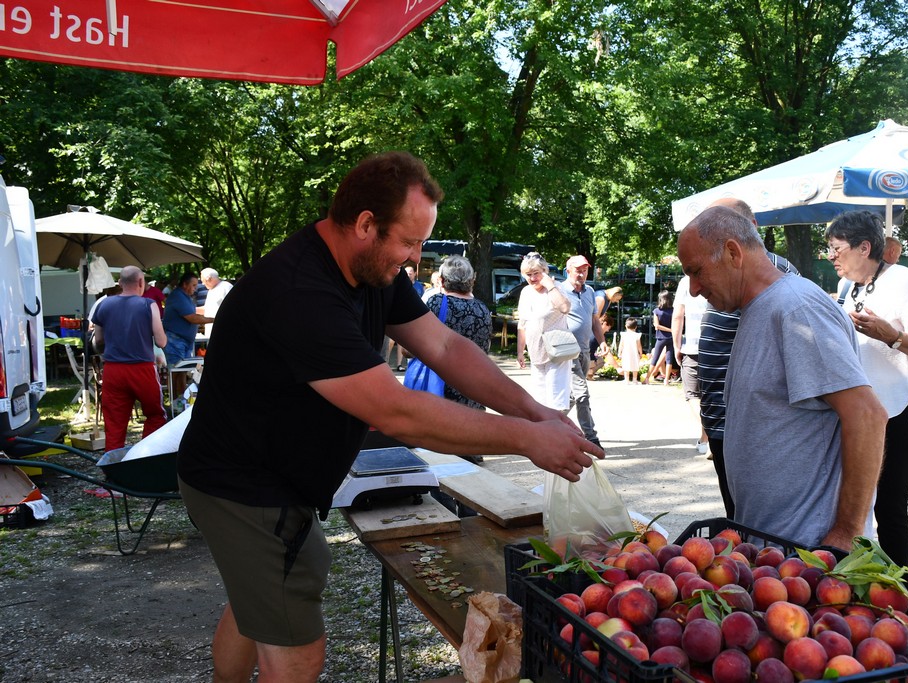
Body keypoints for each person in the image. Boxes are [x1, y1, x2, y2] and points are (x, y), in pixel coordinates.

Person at [177, 152, 601, 683]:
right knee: (295, 640)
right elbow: (395, 410)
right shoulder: (300, 291)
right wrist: (526, 439)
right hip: (243, 485)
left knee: (254, 601)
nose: (415, 259)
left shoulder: (374, 267)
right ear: (364, 225)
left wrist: (536, 411)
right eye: (409, 241)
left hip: (270, 474)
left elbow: (445, 347)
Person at [678, 205, 887, 549]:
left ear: (733, 252)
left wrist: (846, 533)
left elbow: (867, 415)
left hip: (808, 553)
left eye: (697, 271)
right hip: (774, 549)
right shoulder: (759, 308)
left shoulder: (797, 309)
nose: (695, 288)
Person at [826, 210, 908, 567]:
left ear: (864, 248)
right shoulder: (849, 288)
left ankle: (898, 596)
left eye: (836, 248)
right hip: (861, 413)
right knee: (853, 505)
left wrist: (891, 336)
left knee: (890, 507)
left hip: (898, 413)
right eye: (828, 248)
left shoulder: (904, 280)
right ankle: (863, 588)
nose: (831, 256)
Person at [687, 198, 798, 518]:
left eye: (724, 226)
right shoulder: (726, 274)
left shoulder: (774, 273)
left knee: (753, 524)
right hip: (724, 419)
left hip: (745, 424)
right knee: (739, 519)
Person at [90, 266, 168, 451]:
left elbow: (99, 340)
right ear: (141, 282)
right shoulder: (148, 305)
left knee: (115, 421)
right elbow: (161, 341)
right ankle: (146, 456)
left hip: (113, 370)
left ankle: (112, 467)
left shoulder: (104, 305)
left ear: (120, 283)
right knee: (155, 414)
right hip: (142, 368)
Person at [427, 255, 492, 410]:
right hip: (473, 389)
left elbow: (416, 346)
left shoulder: (436, 302)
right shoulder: (482, 309)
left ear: (442, 281)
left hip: (440, 387)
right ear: (472, 280)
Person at [558, 255, 608, 448]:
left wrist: (602, 341)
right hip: (567, 350)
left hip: (585, 350)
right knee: (582, 393)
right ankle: (591, 436)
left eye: (585, 270)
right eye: (578, 270)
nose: (582, 273)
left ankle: (548, 423)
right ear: (568, 270)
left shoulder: (590, 291)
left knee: (573, 396)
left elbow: (595, 320)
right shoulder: (559, 290)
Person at [517, 252, 574, 411]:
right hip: (536, 352)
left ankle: (558, 433)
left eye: (536, 273)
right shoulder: (526, 292)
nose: (533, 278)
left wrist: (550, 286)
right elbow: (522, 323)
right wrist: (520, 352)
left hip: (557, 351)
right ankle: (545, 433)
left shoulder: (556, 287)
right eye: (529, 275)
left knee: (556, 402)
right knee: (539, 402)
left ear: (545, 272)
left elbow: (565, 308)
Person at [671, 276, 709, 455]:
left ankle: (707, 434)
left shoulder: (686, 281)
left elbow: (678, 316)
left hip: (693, 346)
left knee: (693, 394)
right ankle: (707, 438)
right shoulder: (720, 272)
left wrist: (677, 345)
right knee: (712, 394)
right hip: (717, 345)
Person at [162, 272, 214, 367]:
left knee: (182, 370)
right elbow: (193, 318)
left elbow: (193, 313)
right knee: (176, 370)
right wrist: (215, 320)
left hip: (183, 341)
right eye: (193, 285)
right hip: (176, 341)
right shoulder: (178, 297)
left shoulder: (185, 297)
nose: (195, 288)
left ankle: (182, 382)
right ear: (185, 284)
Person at [589, 286, 623, 378]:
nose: (617, 301)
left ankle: (589, 371)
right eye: (618, 298)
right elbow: (595, 317)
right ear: (614, 294)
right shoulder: (601, 298)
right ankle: (589, 371)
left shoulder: (607, 300)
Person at [644, 289, 675, 386]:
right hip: (671, 338)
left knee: (655, 358)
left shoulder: (657, 311)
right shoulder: (673, 310)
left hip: (661, 337)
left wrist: (669, 330)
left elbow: (657, 326)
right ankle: (666, 379)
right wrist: (672, 331)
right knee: (669, 359)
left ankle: (647, 378)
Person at [199, 267, 234, 339]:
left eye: (203, 281)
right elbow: (207, 309)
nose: (202, 284)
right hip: (211, 331)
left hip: (223, 330)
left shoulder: (226, 287)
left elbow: (233, 308)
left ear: (209, 279)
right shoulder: (211, 290)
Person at [619, 317, 643, 383]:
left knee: (626, 366)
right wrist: (641, 353)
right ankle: (634, 380)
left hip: (626, 353)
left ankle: (626, 380)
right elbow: (639, 345)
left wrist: (619, 353)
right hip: (635, 353)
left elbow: (621, 344)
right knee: (635, 366)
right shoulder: (637, 335)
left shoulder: (624, 335)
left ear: (626, 326)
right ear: (636, 327)